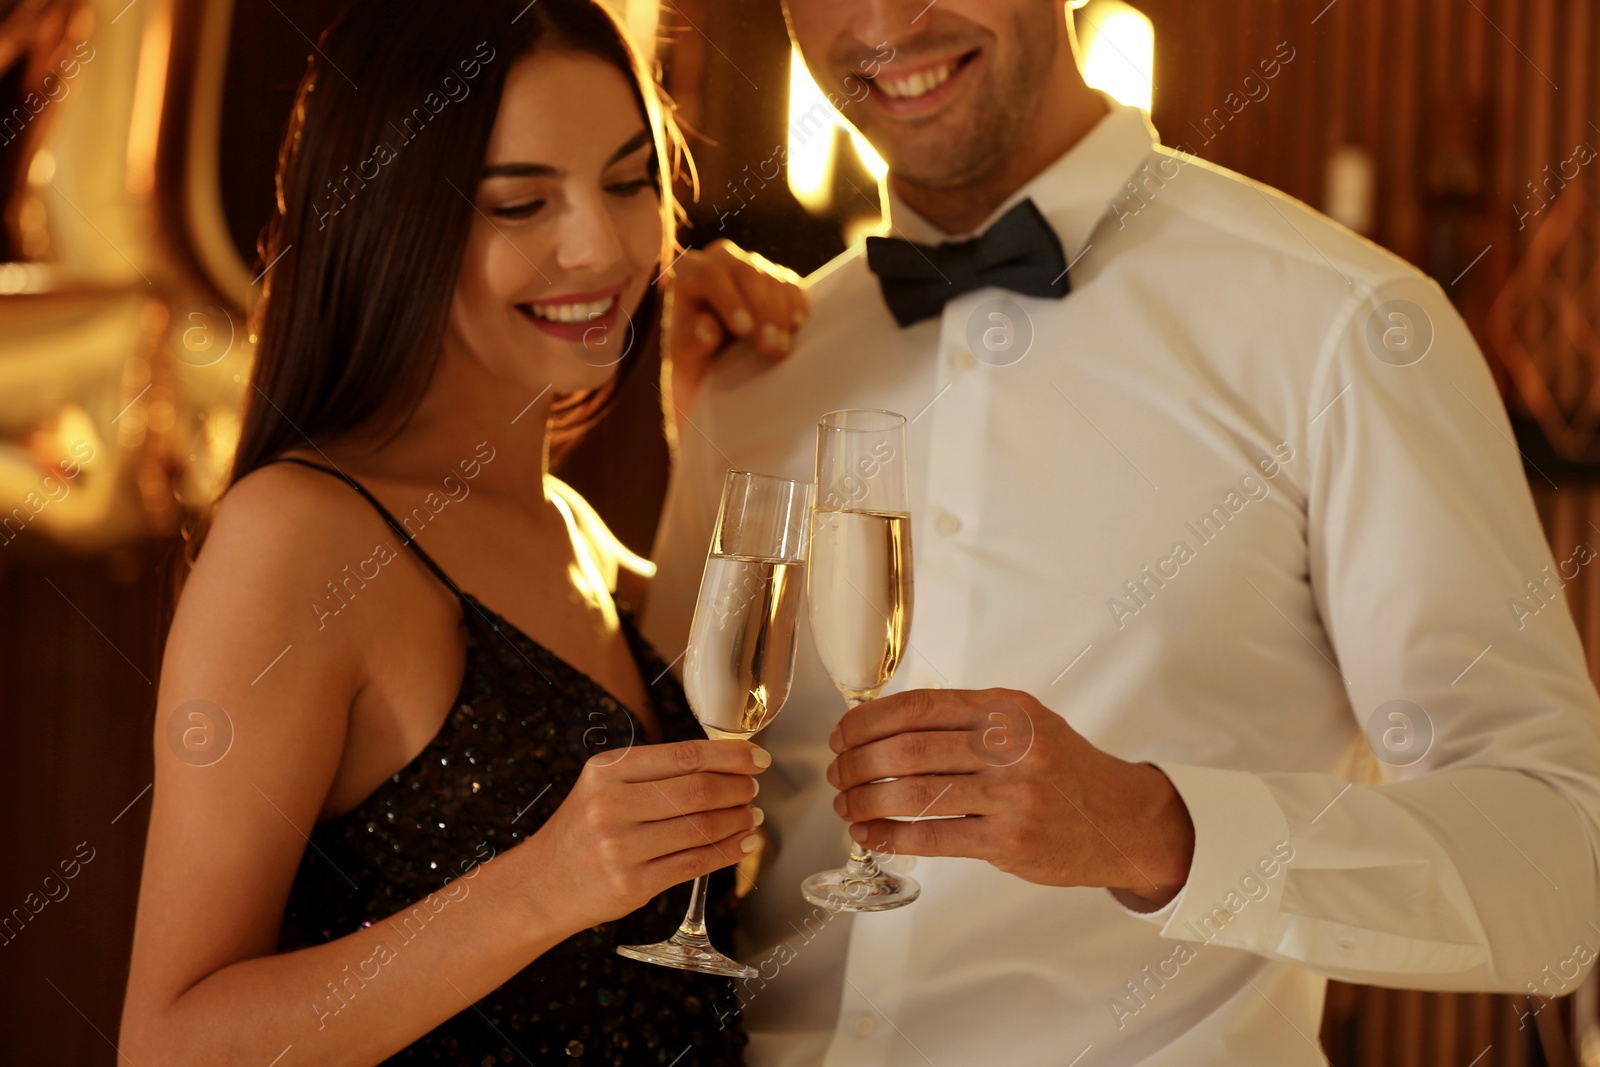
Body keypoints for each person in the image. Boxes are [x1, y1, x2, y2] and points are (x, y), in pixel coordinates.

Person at [643, 1, 1600, 1064]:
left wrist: (1164, 831)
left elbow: (1562, 864)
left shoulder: (1345, 327)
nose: (885, 21)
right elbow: (674, 781)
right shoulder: (749, 375)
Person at [118, 1, 808, 1063]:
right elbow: (169, 1046)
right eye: (522, 204)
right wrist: (541, 885)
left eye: (629, 182)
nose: (600, 246)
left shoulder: (564, 525)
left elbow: (738, 699)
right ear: (394, 217)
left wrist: (707, 421)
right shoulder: (300, 537)